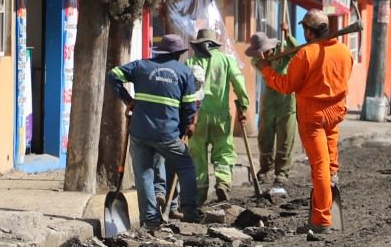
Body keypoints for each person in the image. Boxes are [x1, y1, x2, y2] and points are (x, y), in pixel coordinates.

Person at [253, 10, 351, 236]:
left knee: (320, 167)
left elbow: (286, 85)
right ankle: (329, 192)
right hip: (335, 114)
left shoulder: (306, 54)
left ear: (308, 30)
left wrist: (266, 70)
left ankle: (322, 220)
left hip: (313, 118)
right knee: (329, 166)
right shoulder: (345, 52)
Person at [108, 33, 203, 227]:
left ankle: (149, 219)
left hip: (140, 133)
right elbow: (189, 107)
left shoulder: (141, 66)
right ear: (178, 54)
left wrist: (127, 99)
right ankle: (190, 211)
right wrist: (186, 127)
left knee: (144, 174)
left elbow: (113, 75)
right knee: (186, 168)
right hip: (168, 135)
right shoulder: (184, 73)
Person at [188, 28, 249, 202]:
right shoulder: (227, 61)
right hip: (220, 115)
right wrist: (243, 107)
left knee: (197, 154)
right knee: (223, 150)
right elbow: (240, 84)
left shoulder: (190, 62)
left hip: (196, 117)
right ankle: (222, 183)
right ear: (215, 44)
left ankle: (199, 194)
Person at [245, 30, 295, 186]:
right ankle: (266, 168)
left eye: (263, 51)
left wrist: (288, 36)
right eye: (258, 53)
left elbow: (298, 52)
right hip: (269, 101)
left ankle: (282, 172)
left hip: (286, 100)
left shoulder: (284, 49)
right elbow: (268, 72)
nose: (261, 55)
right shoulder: (257, 61)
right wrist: (271, 61)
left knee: (285, 137)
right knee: (265, 136)